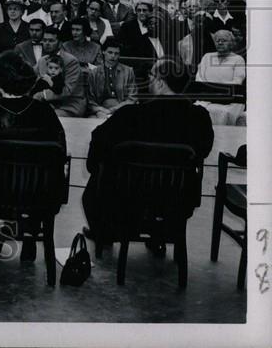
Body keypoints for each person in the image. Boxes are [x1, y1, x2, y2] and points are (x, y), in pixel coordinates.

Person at [82, 59, 214, 250]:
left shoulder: (130, 115)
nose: (149, 81)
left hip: (128, 191)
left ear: (160, 82)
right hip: (178, 194)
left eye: (151, 76)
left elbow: (99, 141)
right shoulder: (199, 117)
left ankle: (106, 233)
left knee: (96, 186)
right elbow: (203, 151)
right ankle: (158, 233)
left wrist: (98, 167)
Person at [0, 51, 66, 256]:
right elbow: (60, 153)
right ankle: (29, 237)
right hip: (38, 193)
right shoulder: (46, 113)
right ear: (29, 84)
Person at [194, 29, 246, 126]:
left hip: (229, 101)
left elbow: (237, 81)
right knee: (196, 109)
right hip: (206, 98)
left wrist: (216, 90)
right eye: (217, 41)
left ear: (231, 43)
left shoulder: (238, 59)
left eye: (224, 40)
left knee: (223, 113)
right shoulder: (207, 57)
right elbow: (199, 77)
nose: (220, 43)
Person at [85, 37, 137, 118]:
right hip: (100, 111)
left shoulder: (128, 71)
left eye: (116, 53)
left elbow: (132, 98)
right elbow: (90, 100)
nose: (113, 56)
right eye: (110, 52)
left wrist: (114, 109)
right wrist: (100, 110)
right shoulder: (94, 73)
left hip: (122, 109)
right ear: (103, 52)